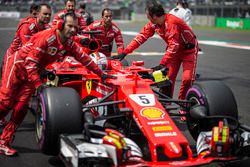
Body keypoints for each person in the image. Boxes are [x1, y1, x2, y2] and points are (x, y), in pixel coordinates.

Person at [0, 12, 115, 156]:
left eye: (75, 27)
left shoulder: (69, 44)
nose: (73, 30)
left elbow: (84, 59)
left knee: (21, 108)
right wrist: (38, 84)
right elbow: (29, 62)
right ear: (60, 25)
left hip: (33, 72)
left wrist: (102, 74)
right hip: (17, 67)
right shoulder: (47, 38)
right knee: (5, 103)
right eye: (70, 26)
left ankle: (4, 142)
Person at [115, 1, 198, 105]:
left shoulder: (172, 22)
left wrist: (163, 63)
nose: (147, 18)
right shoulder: (154, 24)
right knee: (168, 78)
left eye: (148, 16)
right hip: (174, 52)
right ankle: (166, 104)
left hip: (188, 50)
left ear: (154, 16)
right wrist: (125, 52)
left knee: (187, 79)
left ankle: (183, 105)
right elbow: (141, 37)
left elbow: (174, 45)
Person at [0, 3, 52, 127]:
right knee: (8, 95)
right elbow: (29, 49)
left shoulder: (45, 27)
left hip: (27, 60)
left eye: (49, 14)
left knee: (18, 95)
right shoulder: (27, 26)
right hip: (13, 58)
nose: (47, 17)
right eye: (45, 14)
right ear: (36, 14)